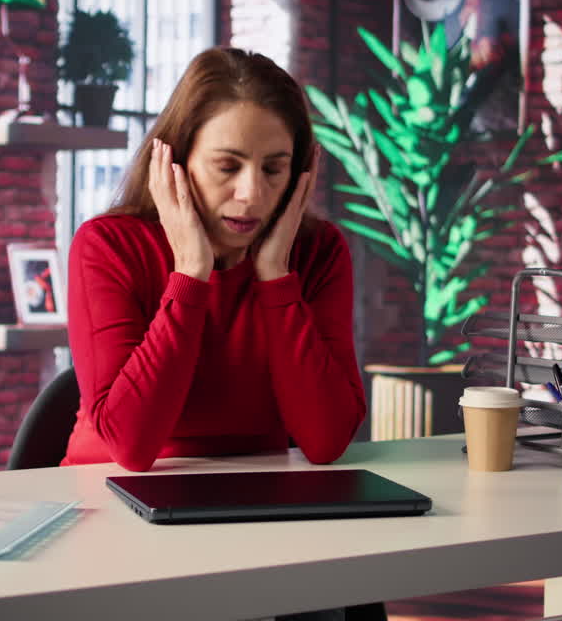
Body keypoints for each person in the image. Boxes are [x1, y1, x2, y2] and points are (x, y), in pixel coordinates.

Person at [60, 47, 366, 473]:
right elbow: (130, 447)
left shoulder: (318, 252)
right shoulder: (108, 246)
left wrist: (276, 277)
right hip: (109, 492)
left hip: (255, 495)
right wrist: (190, 275)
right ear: (175, 162)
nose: (252, 195)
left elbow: (327, 440)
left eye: (273, 170)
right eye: (227, 167)